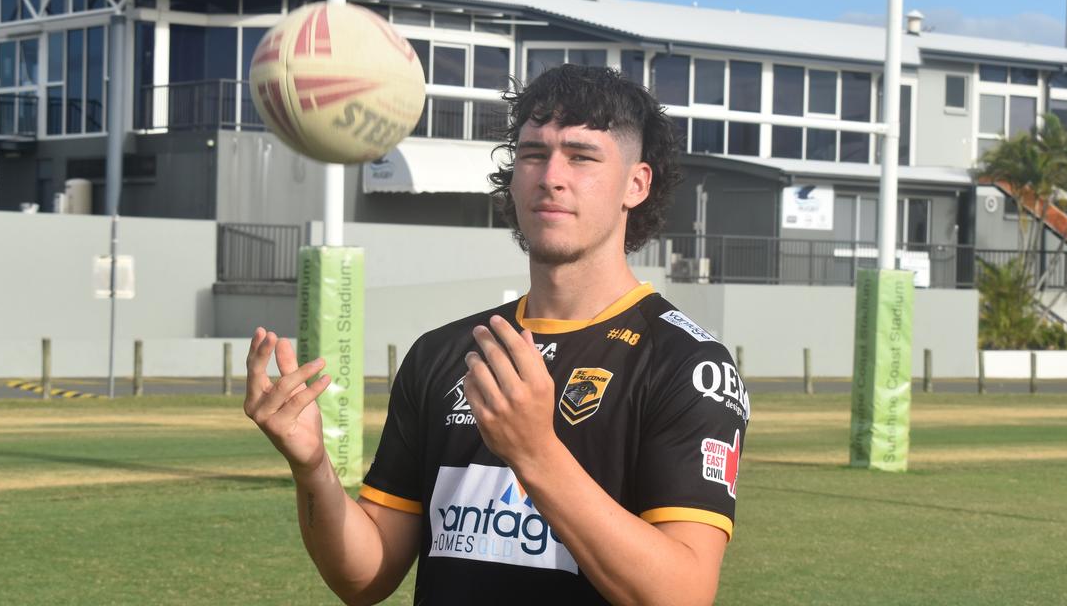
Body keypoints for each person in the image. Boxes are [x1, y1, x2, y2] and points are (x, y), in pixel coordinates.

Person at [245, 65, 750, 605]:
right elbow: (364, 577)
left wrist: (534, 451)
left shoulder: (686, 364)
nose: (551, 175)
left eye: (581, 156)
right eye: (533, 154)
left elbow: (682, 594)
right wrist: (313, 468)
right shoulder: (443, 354)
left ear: (636, 183)